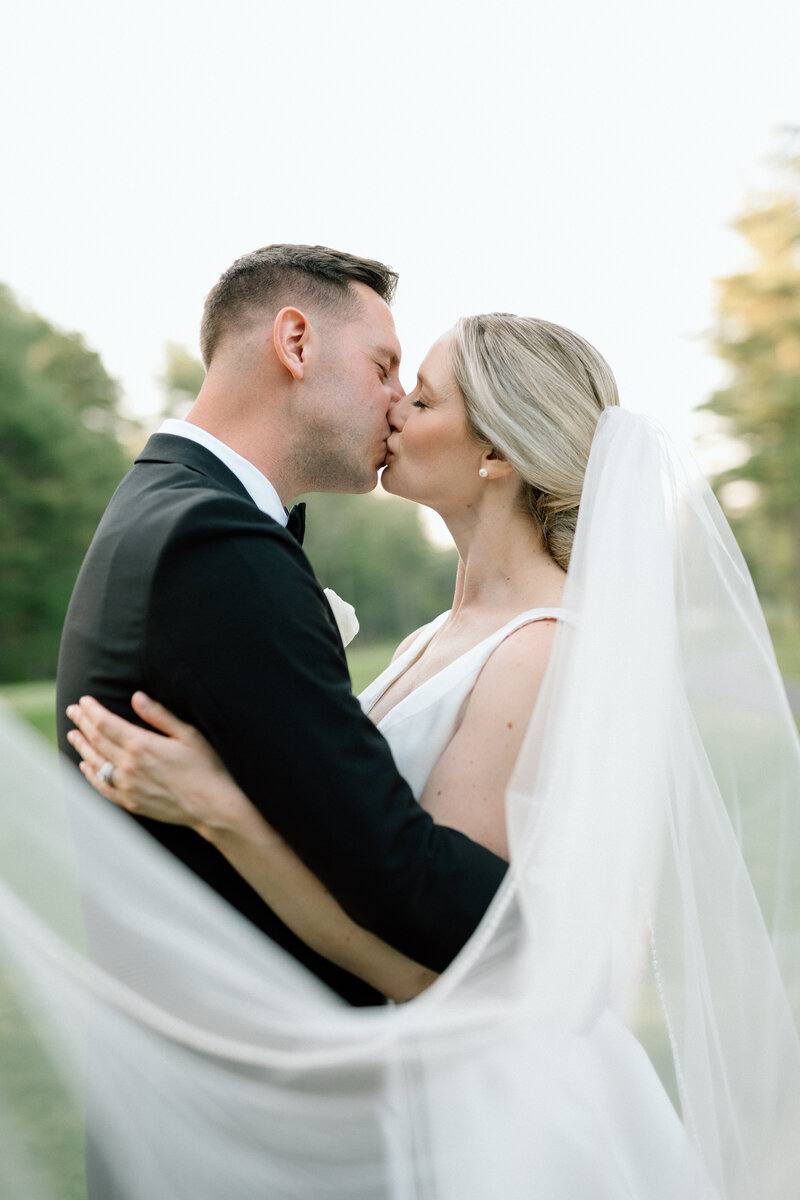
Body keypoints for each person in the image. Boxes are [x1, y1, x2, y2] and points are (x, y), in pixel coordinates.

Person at [63, 314, 800, 1200]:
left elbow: (434, 971)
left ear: (494, 454)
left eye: (420, 397)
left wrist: (222, 812)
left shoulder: (541, 647)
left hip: (497, 1123)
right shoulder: (439, 635)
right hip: (422, 1090)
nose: (392, 411)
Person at [56, 244, 507, 1008]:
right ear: (295, 343)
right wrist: (563, 920)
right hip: (246, 1083)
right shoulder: (216, 544)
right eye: (383, 366)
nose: (398, 403)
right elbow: (388, 863)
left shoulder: (166, 504)